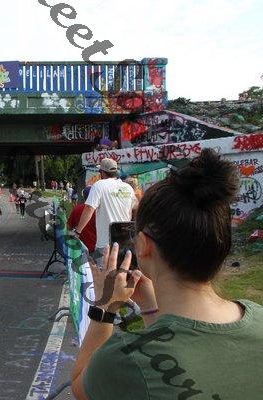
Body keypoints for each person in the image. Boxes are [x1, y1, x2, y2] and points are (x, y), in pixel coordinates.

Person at [71, 149, 263, 399]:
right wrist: (150, 307)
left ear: (142, 244)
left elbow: (80, 386)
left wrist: (104, 309)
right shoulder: (258, 318)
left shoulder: (127, 359)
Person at [72, 158, 137, 261]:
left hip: (105, 244)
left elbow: (89, 208)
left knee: (102, 270)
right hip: (125, 242)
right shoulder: (127, 187)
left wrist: (78, 231)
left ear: (102, 172)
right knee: (121, 269)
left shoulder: (99, 185)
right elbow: (133, 208)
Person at [67, 186, 97, 253]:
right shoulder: (101, 210)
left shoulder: (76, 209)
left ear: (84, 197)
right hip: (99, 248)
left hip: (81, 248)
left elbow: (68, 227)